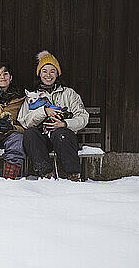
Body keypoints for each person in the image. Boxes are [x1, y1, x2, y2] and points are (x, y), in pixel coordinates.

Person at [17, 51, 89, 181]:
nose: (48, 75)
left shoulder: (69, 93)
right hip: (42, 139)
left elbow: (83, 117)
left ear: (57, 73)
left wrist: (65, 123)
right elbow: (24, 121)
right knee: (30, 133)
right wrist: (44, 111)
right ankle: (45, 174)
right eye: (44, 71)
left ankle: (73, 175)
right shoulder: (32, 96)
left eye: (52, 71)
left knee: (61, 133)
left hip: (63, 139)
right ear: (39, 74)